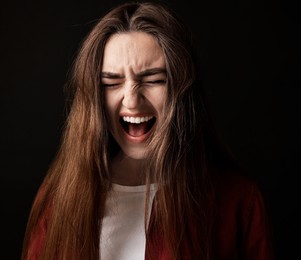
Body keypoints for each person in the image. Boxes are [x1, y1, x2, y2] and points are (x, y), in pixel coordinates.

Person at [21, 0, 274, 259]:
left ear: (181, 89)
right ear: (93, 96)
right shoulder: (59, 197)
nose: (131, 100)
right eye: (111, 82)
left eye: (153, 80)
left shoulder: (237, 200)